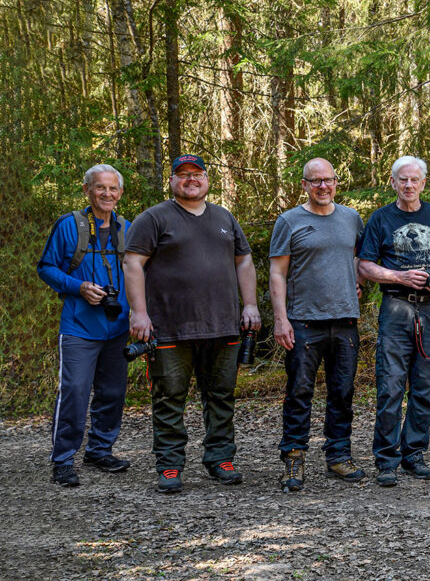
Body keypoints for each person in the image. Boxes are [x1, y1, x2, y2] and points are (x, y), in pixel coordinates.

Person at [123, 154, 261, 494]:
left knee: (221, 396)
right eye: (182, 175)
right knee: (169, 397)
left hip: (224, 324)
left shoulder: (224, 218)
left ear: (207, 179)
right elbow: (132, 264)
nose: (190, 180)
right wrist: (139, 313)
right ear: (171, 181)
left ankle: (220, 459)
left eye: (197, 174)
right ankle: (169, 466)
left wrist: (251, 305)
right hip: (169, 327)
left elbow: (244, 261)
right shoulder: (153, 218)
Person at [358, 155, 430, 487]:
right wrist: (399, 276)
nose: (408, 185)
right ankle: (386, 459)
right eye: (402, 179)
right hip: (395, 308)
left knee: (423, 387)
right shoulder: (381, 219)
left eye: (414, 180)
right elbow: (364, 266)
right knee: (390, 387)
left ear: (423, 182)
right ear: (393, 182)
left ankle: (413, 455)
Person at [270, 158, 366, 492]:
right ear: (305, 185)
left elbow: (358, 257)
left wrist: (356, 280)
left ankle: (338, 454)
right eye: (315, 181)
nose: (323, 186)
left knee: (342, 392)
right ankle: (293, 457)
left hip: (345, 320)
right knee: (299, 392)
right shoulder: (289, 221)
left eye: (328, 180)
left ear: (336, 182)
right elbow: (278, 272)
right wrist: (280, 319)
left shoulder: (351, 218)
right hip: (303, 321)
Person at [37, 164, 132, 487]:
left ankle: (100, 449)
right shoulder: (68, 226)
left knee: (114, 392)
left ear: (120, 193)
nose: (107, 194)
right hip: (79, 325)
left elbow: (137, 273)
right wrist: (78, 287)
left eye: (113, 188)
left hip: (118, 324)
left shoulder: (126, 227)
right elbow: (46, 268)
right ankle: (63, 460)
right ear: (87, 190)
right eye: (100, 188)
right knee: (75, 391)